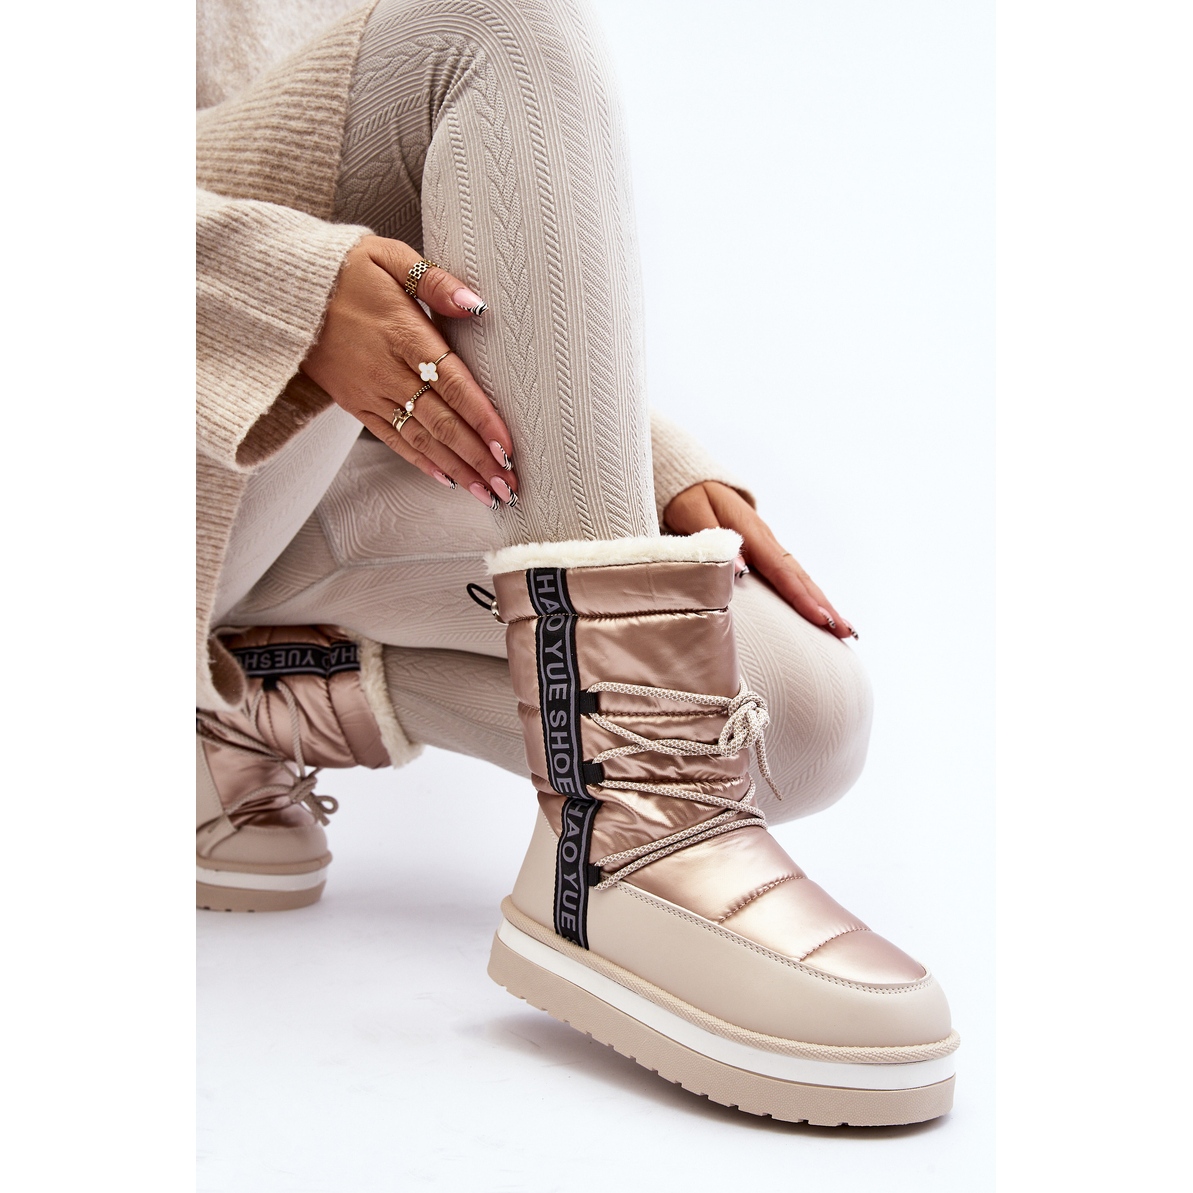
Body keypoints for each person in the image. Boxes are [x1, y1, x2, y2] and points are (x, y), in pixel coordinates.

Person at [197, 0, 957, 1126]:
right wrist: (269, 285)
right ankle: (624, 837)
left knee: (797, 713)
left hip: (267, 468)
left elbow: (433, 249)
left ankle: (229, 715)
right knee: (490, 27)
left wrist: (638, 461)